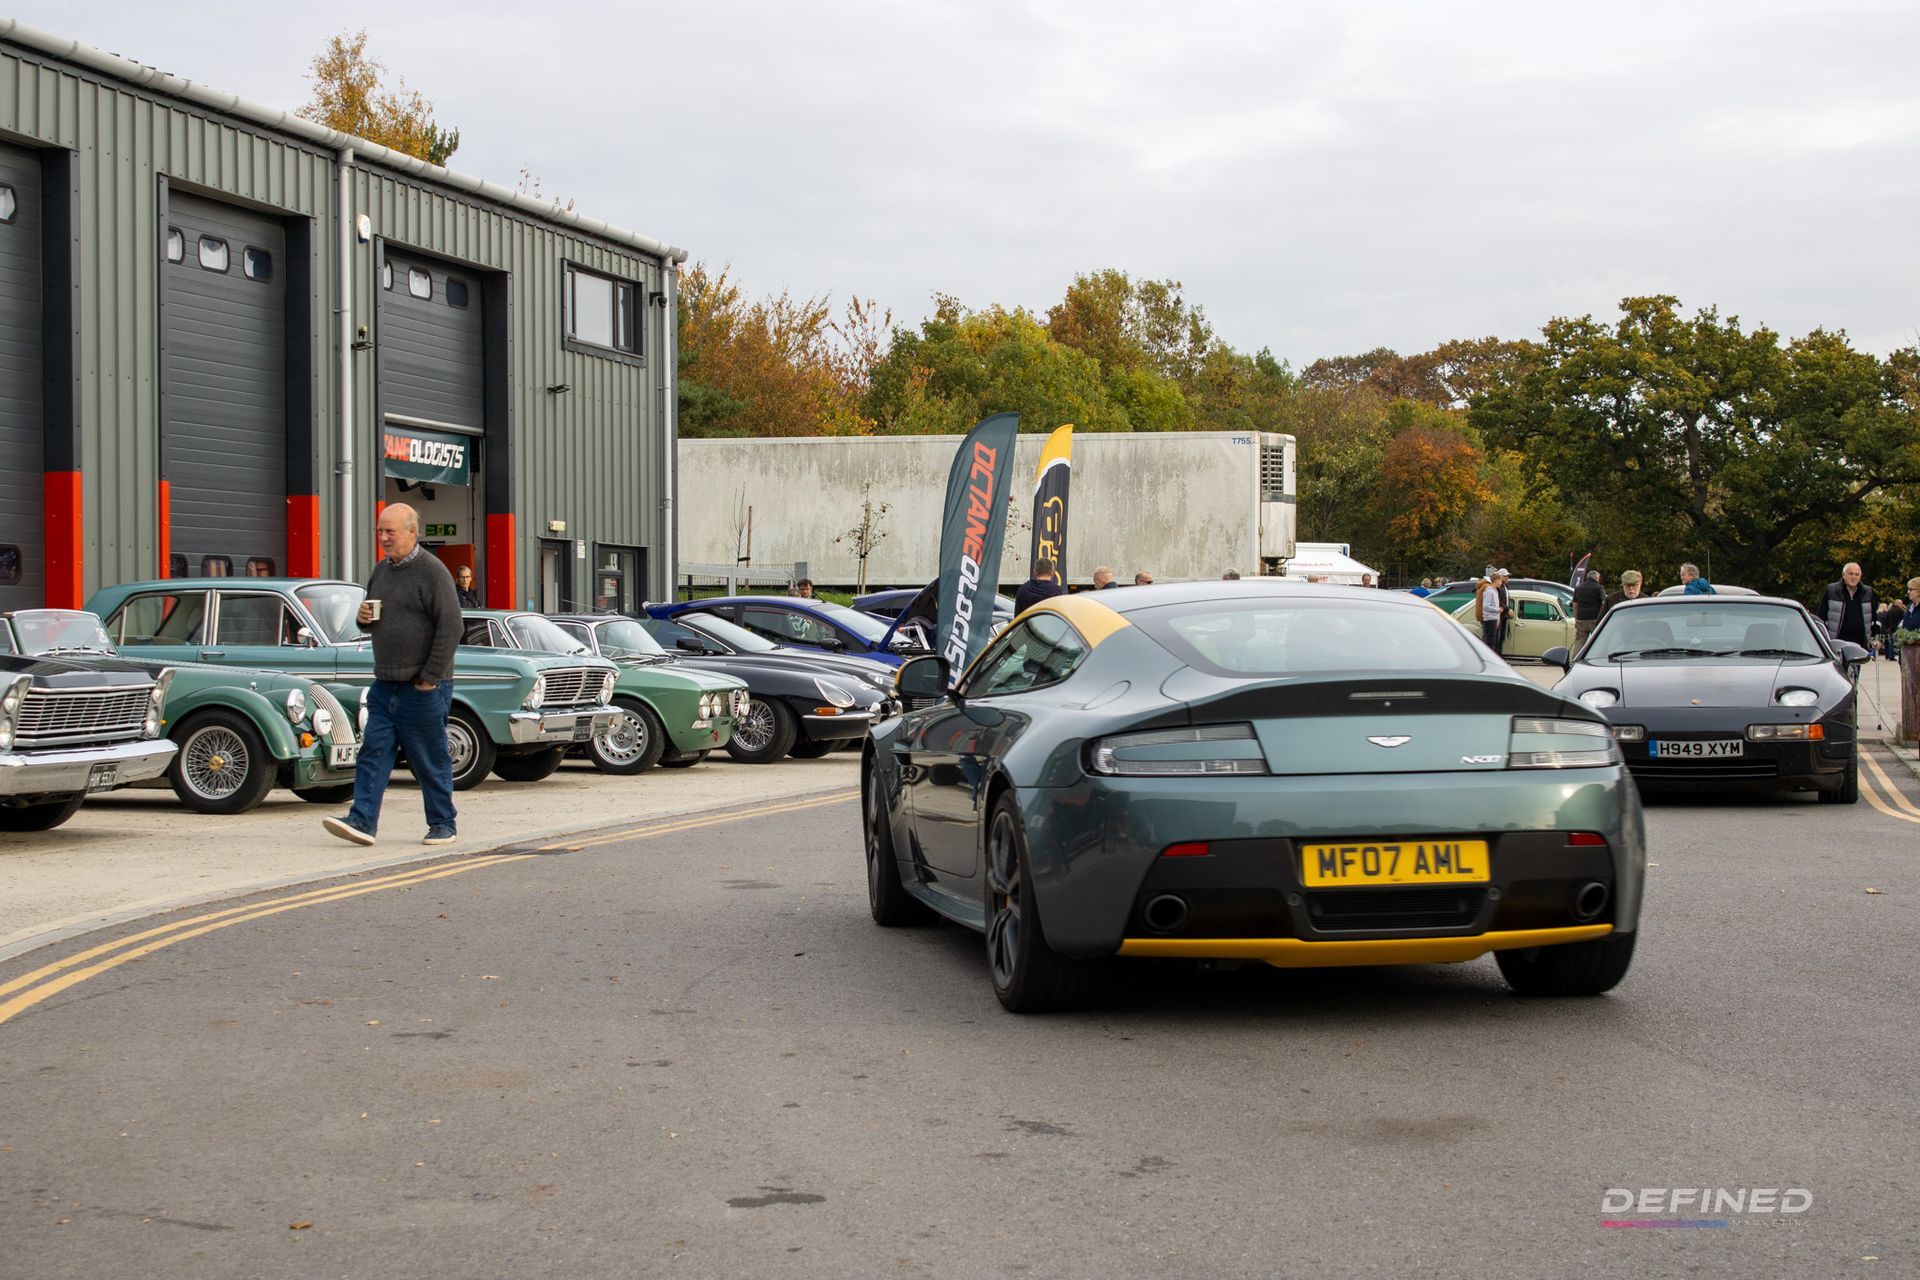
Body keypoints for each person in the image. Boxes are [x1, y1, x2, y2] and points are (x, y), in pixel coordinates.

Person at [323, 503, 463, 848]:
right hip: (385, 683)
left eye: (391, 531)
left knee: (429, 758)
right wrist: (362, 618)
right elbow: (371, 620)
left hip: (423, 687)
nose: (383, 538)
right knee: (373, 752)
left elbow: (452, 626)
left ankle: (443, 824)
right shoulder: (381, 571)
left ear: (412, 532)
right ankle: (362, 821)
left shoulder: (433, 572)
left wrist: (430, 678)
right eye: (380, 531)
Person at [1817, 562, 1874, 655]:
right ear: (1844, 575)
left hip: (1859, 643)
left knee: (1855, 669)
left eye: (1857, 574)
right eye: (1850, 574)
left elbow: (1873, 618)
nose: (1854, 577)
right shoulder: (1832, 590)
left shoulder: (1867, 592)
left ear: (1860, 576)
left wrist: (1876, 638)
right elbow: (1821, 616)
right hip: (1836, 642)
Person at [1572, 569, 1604, 648]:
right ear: (1597, 578)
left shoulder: (1578, 588)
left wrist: (1576, 619)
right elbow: (1604, 603)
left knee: (1579, 641)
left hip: (1581, 619)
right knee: (1598, 641)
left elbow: (1575, 604)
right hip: (1595, 620)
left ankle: (1576, 659)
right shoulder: (1599, 588)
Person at [1480, 568, 1507, 651]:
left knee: (1493, 641)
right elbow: (1486, 606)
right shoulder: (1490, 591)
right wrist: (1497, 610)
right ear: (1495, 581)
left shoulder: (1494, 591)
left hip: (1493, 619)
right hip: (1490, 619)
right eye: (1500, 581)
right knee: (1490, 642)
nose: (1501, 583)